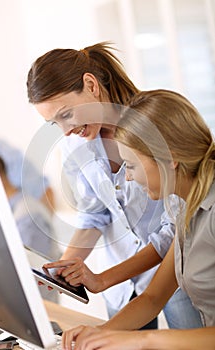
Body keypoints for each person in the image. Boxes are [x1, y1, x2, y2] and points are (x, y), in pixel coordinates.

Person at [26, 42, 201, 329]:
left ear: (91, 84)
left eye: (66, 114)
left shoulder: (154, 121)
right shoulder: (75, 145)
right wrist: (64, 268)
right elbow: (95, 213)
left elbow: (176, 229)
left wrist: (104, 278)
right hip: (120, 285)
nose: (66, 131)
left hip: (173, 272)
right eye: (54, 124)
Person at [61, 89, 215, 350]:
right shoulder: (184, 209)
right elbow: (153, 298)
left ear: (169, 158)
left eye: (130, 166)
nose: (128, 178)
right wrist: (97, 334)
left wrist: (143, 339)